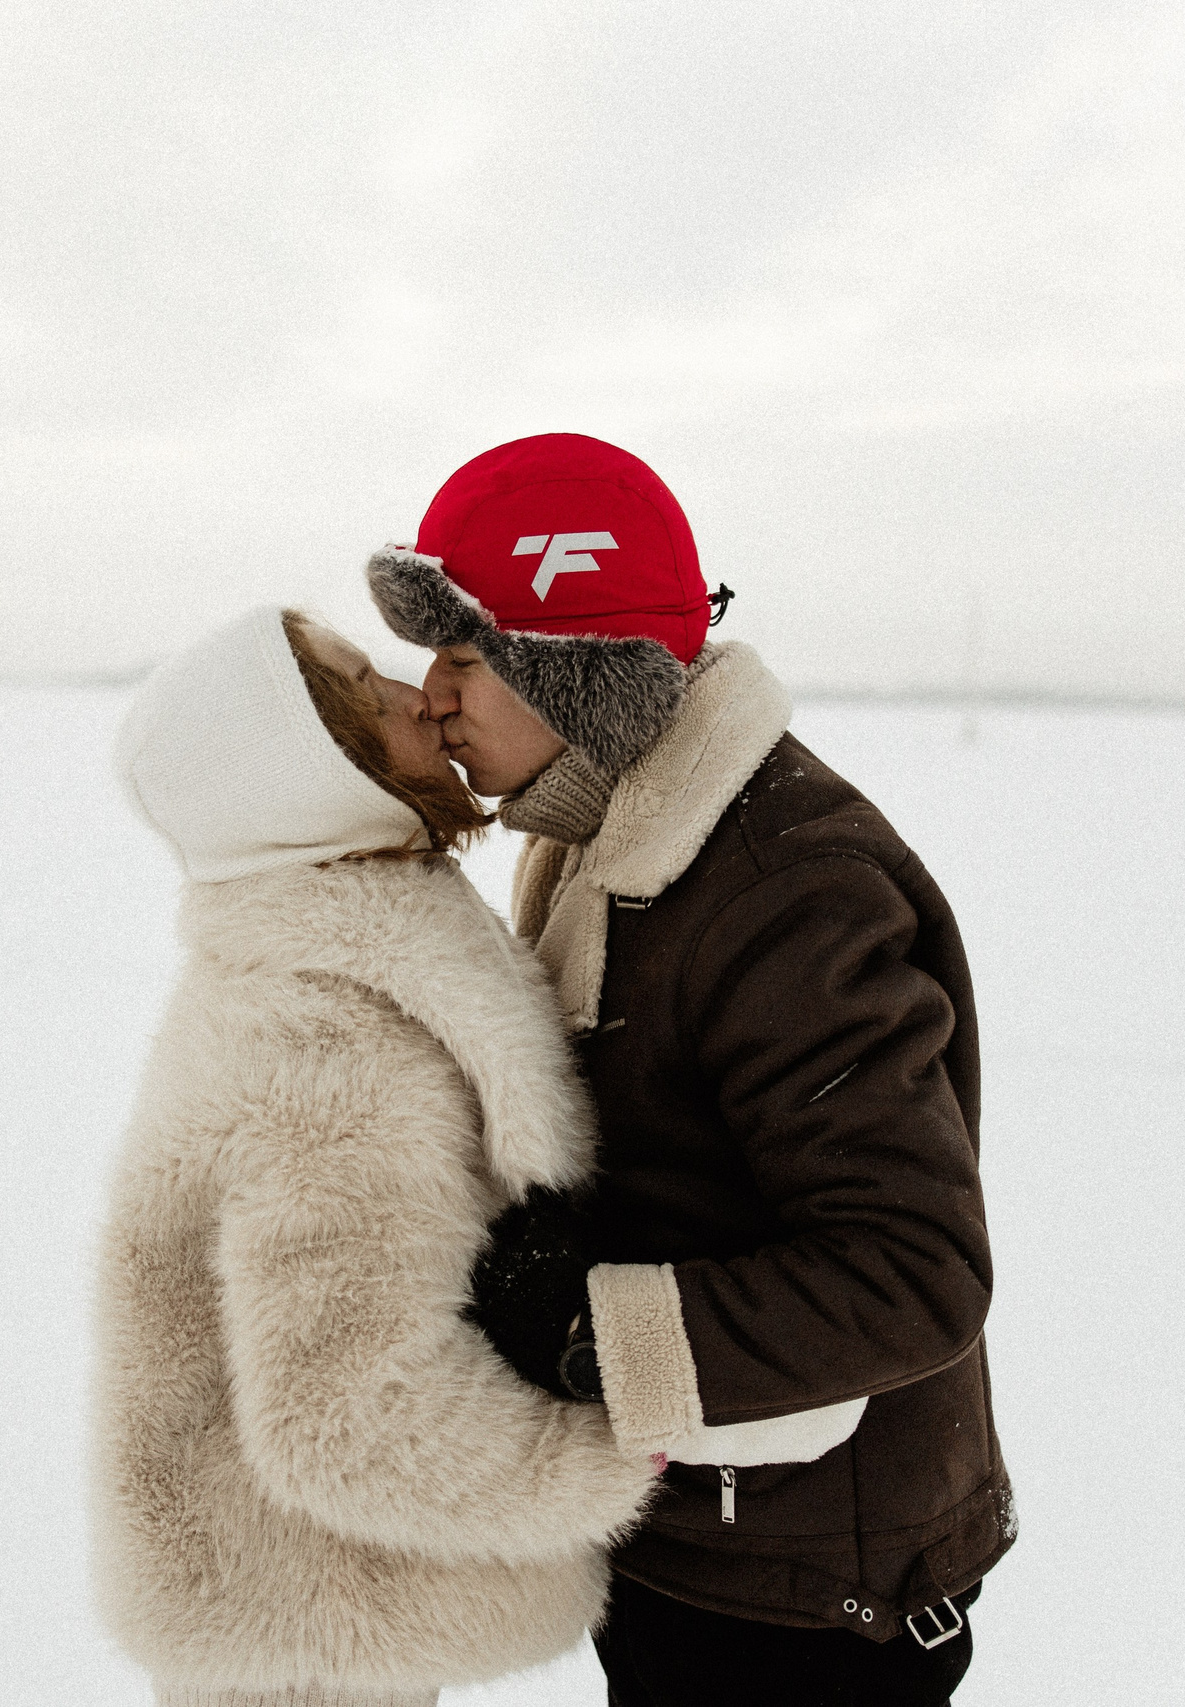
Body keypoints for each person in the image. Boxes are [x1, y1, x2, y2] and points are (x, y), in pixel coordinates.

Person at [366, 435, 1014, 1707]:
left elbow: (913, 1272)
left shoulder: (788, 896)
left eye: (460, 657)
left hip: (812, 1602)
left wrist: (579, 1331)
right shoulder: (608, 832)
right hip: (700, 1539)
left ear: (578, 670)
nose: (430, 698)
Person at [93, 605, 662, 1707]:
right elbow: (345, 1418)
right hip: (303, 1639)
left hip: (285, 1603)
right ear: (306, 776)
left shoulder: (320, 954)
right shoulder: (324, 1036)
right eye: (363, 694)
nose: (418, 695)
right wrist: (617, 1453)